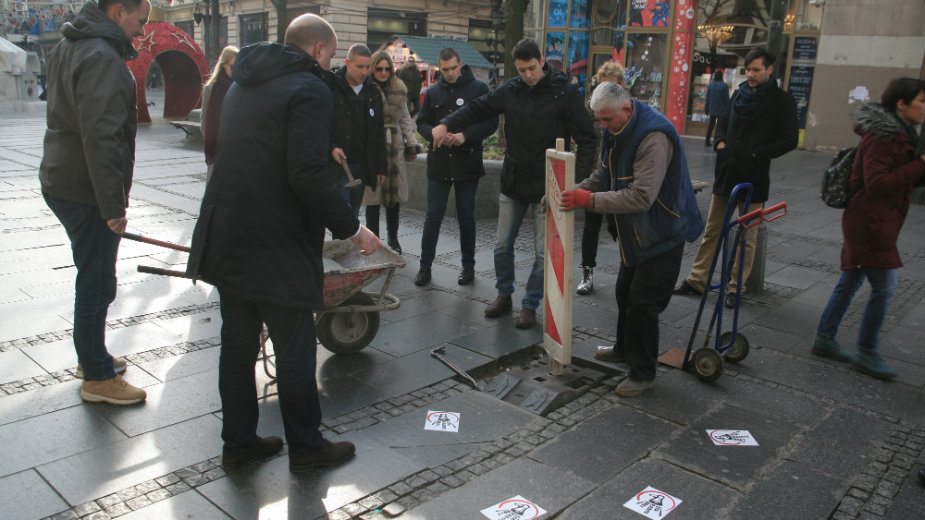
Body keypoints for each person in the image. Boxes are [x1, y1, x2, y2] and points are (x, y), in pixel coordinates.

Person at [186, 14, 382, 472]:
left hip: (229, 234)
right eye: (331, 56)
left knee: (236, 349)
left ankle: (238, 444)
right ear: (317, 50)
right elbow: (306, 174)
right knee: (294, 350)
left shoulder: (242, 82)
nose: (330, 64)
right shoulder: (309, 89)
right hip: (275, 243)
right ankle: (307, 449)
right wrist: (353, 228)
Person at [432, 39, 595, 328]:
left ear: (542, 60)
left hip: (549, 185)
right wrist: (447, 123)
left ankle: (530, 304)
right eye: (522, 70)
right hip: (513, 180)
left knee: (543, 254)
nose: (528, 75)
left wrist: (577, 182)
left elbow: (586, 138)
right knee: (501, 246)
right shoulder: (511, 90)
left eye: (532, 68)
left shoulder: (564, 93)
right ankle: (504, 293)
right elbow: (477, 109)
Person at [39, 0, 151, 405]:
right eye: (140, 20)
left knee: (93, 276)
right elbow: (101, 138)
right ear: (118, 10)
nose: (141, 31)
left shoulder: (72, 43)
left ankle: (94, 357)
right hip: (86, 189)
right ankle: (97, 377)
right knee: (97, 281)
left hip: (62, 179)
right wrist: (113, 208)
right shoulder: (101, 56)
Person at [560, 82, 704, 397]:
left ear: (627, 109)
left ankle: (643, 373)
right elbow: (604, 175)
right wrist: (577, 189)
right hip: (636, 233)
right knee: (625, 293)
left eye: (607, 120)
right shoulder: (614, 130)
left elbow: (641, 197)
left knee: (643, 303)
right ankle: (625, 349)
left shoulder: (654, 137)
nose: (602, 126)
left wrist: (588, 201)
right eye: (598, 120)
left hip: (662, 232)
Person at [811, 78, 925, 380]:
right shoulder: (882, 136)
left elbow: (901, 177)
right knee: (885, 288)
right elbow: (877, 183)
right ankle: (867, 351)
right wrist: (920, 165)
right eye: (922, 101)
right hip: (870, 222)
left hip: (878, 220)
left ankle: (825, 337)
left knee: (850, 281)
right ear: (902, 103)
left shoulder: (902, 133)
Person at [674, 48, 797, 309]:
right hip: (727, 171)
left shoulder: (782, 101)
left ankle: (734, 287)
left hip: (754, 176)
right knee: (713, 229)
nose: (750, 74)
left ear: (769, 70)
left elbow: (790, 139)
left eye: (756, 70)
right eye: (748, 69)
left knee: (746, 235)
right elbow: (723, 121)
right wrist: (719, 141)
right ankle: (697, 280)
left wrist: (758, 153)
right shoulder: (739, 92)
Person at [415, 47, 498, 286]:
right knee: (433, 217)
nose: (450, 73)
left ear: (460, 65)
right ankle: (424, 266)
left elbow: (490, 122)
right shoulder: (433, 92)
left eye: (453, 68)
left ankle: (468, 266)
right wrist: (433, 135)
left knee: (466, 218)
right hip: (440, 163)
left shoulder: (479, 89)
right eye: (445, 69)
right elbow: (422, 122)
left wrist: (465, 136)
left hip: (467, 162)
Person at [363, 51, 422, 254]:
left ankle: (394, 239)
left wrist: (412, 144)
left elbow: (405, 119)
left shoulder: (399, 88)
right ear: (373, 69)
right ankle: (374, 240)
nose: (383, 72)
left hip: (394, 146)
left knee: (393, 197)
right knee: (373, 198)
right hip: (372, 146)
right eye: (379, 69)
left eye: (387, 69)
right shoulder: (365, 89)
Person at [576, 60, 626, 295]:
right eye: (602, 86)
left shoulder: (626, 110)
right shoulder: (590, 108)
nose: (606, 92)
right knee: (591, 226)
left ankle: (628, 271)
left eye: (612, 86)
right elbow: (584, 139)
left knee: (620, 227)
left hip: (619, 178)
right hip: (595, 173)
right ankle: (587, 272)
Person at [325, 44, 387, 216]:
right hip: (339, 165)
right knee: (341, 215)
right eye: (360, 66)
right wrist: (331, 146)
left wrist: (380, 166)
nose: (364, 72)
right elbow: (321, 124)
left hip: (362, 164)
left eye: (368, 67)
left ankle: (349, 242)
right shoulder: (332, 87)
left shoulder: (373, 92)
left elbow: (378, 131)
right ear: (347, 62)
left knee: (353, 214)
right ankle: (341, 243)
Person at [201, 45, 238, 178]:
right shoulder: (211, 88)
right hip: (217, 146)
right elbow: (204, 120)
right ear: (224, 65)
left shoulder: (240, 88)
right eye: (233, 65)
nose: (236, 69)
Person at [704, 70, 729, 147]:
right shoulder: (724, 86)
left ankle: (707, 141)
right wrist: (728, 109)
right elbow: (726, 99)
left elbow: (707, 98)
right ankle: (716, 141)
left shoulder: (711, 85)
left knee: (710, 125)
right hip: (722, 109)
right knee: (719, 127)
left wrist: (706, 108)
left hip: (712, 108)